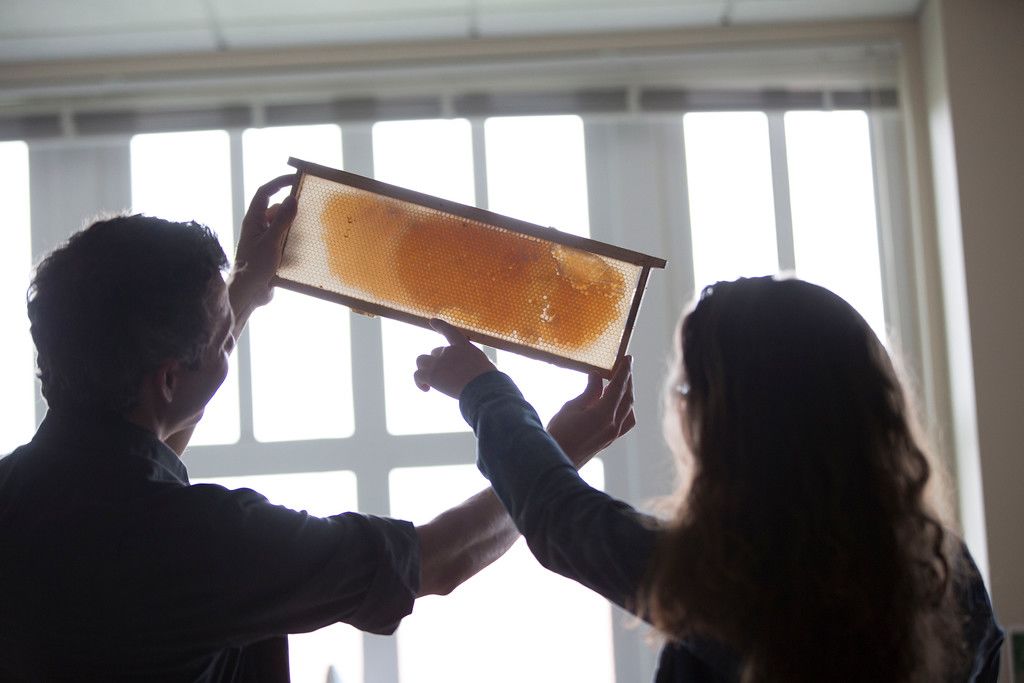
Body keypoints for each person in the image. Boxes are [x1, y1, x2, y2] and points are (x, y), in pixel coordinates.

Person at [0, 174, 632, 681]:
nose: (229, 341)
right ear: (167, 378)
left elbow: (137, 444)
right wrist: (553, 455)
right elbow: (434, 559)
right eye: (223, 341)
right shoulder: (205, 543)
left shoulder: (23, 495)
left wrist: (244, 290)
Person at [413, 276, 1005, 683]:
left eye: (692, 393)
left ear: (740, 429)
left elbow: (561, 517)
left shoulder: (738, 582)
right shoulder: (946, 574)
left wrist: (482, 389)